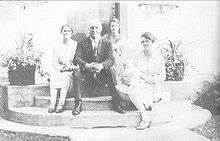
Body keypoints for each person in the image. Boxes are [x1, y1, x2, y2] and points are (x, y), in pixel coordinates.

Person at [74, 19, 125, 114]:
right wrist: (87, 65)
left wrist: (102, 65)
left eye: (96, 28)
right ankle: (78, 103)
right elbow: (77, 58)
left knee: (111, 70)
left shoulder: (107, 42)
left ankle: (116, 103)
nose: (94, 30)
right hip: (87, 73)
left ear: (100, 29)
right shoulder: (82, 42)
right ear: (88, 30)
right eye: (92, 28)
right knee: (77, 71)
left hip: (101, 73)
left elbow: (111, 59)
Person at [116, 32, 166, 129]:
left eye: (147, 41)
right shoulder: (139, 55)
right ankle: (145, 110)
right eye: (142, 41)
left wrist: (149, 79)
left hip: (153, 86)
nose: (145, 43)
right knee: (127, 87)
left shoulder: (158, 58)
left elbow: (162, 77)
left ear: (152, 42)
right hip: (139, 83)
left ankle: (145, 117)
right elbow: (133, 69)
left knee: (133, 89)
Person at [48, 24, 81, 113]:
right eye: (64, 31)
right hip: (60, 69)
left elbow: (78, 59)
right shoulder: (57, 47)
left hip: (71, 69)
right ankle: (52, 104)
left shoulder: (76, 45)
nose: (66, 33)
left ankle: (61, 105)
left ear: (71, 33)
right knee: (54, 75)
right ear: (61, 32)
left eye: (69, 31)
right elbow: (55, 63)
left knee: (65, 76)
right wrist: (60, 69)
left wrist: (69, 67)